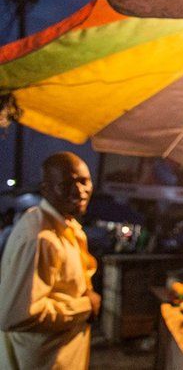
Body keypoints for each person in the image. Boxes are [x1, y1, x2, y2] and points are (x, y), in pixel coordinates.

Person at [0, 152, 100, 370]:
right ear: (45, 189)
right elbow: (15, 316)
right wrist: (85, 306)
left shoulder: (67, 226)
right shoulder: (39, 237)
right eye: (66, 184)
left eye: (84, 181)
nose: (79, 191)